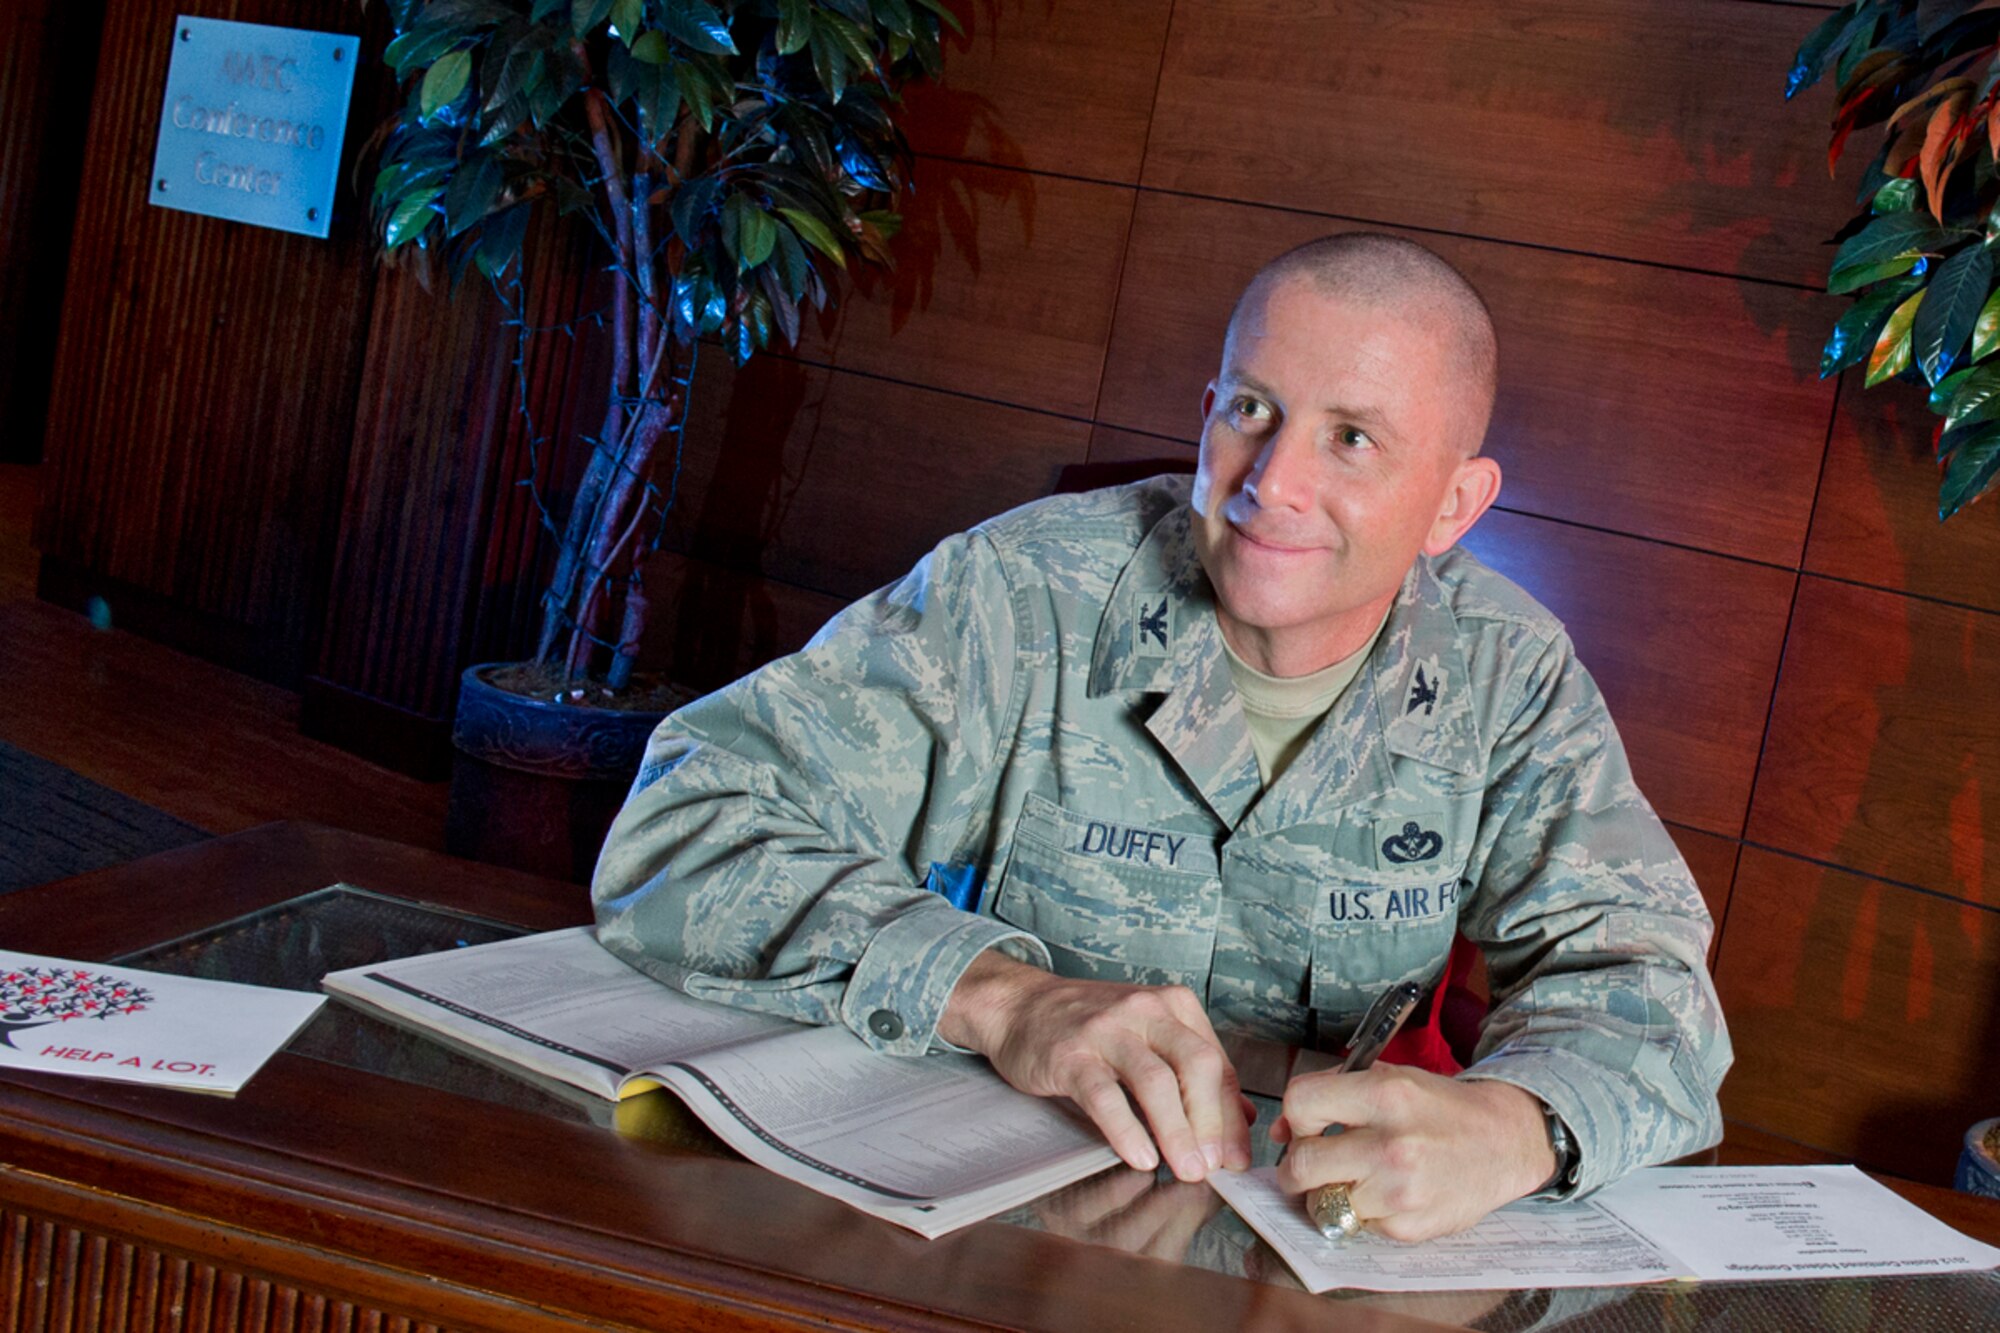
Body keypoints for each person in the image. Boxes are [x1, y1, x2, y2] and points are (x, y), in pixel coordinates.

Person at [592, 232, 1731, 1241]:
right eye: (1251, 409)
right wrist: (1003, 997)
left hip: (1298, 1241)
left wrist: (1515, 1125)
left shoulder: (1506, 677)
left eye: (1350, 439)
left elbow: (1647, 982)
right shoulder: (1019, 593)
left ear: (1452, 505)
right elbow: (684, 822)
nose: (1269, 482)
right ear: (1205, 414)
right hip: (979, 1213)